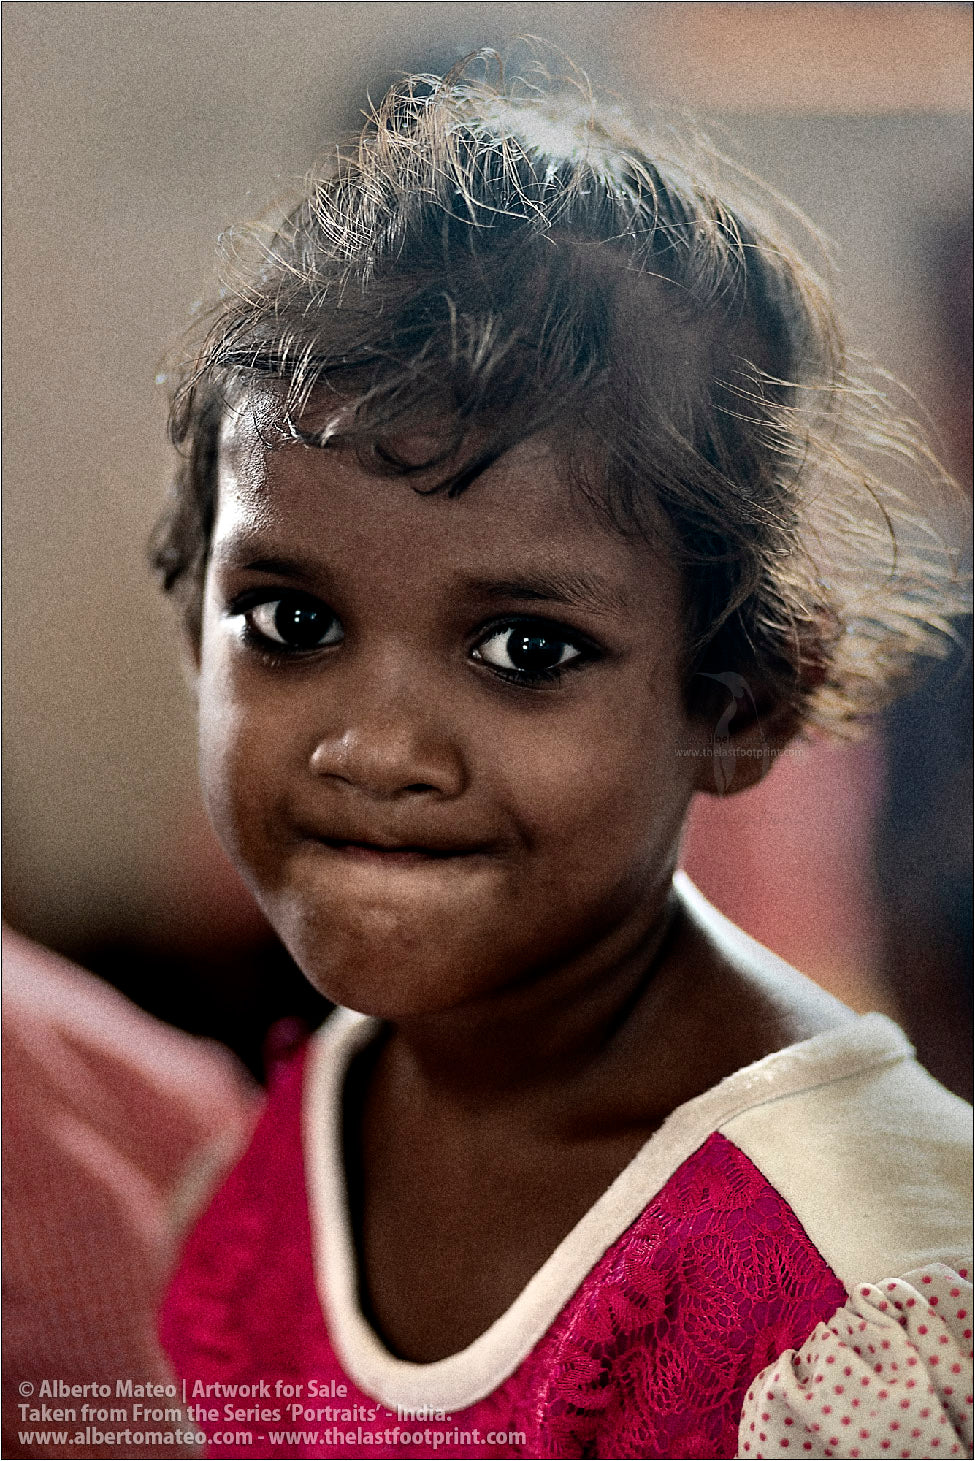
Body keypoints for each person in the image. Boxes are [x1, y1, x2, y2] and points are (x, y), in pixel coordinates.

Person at [152, 56, 972, 1460]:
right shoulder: (278, 1164)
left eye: (525, 649)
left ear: (739, 700)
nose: (376, 746)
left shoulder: (851, 1295)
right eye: (291, 621)